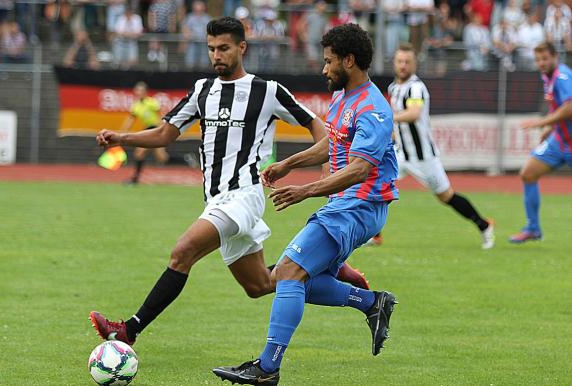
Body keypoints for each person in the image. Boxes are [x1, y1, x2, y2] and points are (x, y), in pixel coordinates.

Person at [90, 17, 370, 346]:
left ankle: (128, 330)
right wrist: (122, 137)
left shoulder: (267, 91)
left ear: (241, 47)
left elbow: (316, 125)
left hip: (244, 196)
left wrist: (328, 164)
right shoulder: (201, 91)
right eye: (211, 49)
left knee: (182, 252)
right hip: (217, 198)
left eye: (223, 48)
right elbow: (165, 133)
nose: (216, 56)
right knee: (261, 285)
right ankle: (346, 283)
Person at [213, 23, 398, 386]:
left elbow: (360, 169)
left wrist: (305, 190)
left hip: (358, 207)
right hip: (345, 207)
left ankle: (267, 368)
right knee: (290, 276)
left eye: (329, 62)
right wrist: (289, 164)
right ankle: (371, 302)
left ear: (349, 60)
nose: (324, 69)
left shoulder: (374, 109)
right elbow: (334, 144)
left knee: (289, 272)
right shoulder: (344, 97)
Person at [384, 43, 495, 249]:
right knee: (376, 185)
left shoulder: (416, 87)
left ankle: (484, 225)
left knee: (446, 196)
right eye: (400, 61)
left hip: (424, 157)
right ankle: (375, 234)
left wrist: (388, 118)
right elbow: (397, 124)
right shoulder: (393, 87)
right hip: (401, 154)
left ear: (414, 64)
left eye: (407, 62)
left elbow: (413, 113)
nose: (403, 65)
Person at [509, 41, 572, 243]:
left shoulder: (562, 77)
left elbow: (570, 107)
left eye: (545, 58)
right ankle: (533, 228)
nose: (541, 63)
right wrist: (549, 128)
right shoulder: (548, 77)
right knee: (528, 173)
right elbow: (559, 108)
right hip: (559, 141)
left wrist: (541, 122)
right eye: (538, 60)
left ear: (555, 57)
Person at [117, 81, 170, 185]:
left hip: (156, 129)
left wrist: (164, 129)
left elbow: (161, 115)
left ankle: (134, 179)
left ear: (145, 92)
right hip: (148, 129)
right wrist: (122, 132)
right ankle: (187, 160)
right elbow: (130, 119)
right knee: (161, 157)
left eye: (140, 90)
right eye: (136, 90)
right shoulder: (136, 105)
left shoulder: (152, 102)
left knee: (144, 153)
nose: (137, 92)